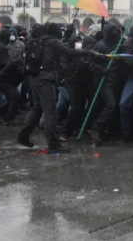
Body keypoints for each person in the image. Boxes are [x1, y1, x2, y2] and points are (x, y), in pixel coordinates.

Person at [16, 23, 98, 153]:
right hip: (45, 80)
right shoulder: (53, 42)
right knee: (51, 112)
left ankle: (23, 136)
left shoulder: (40, 41)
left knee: (37, 108)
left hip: (35, 78)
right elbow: (70, 52)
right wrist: (90, 52)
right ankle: (53, 145)